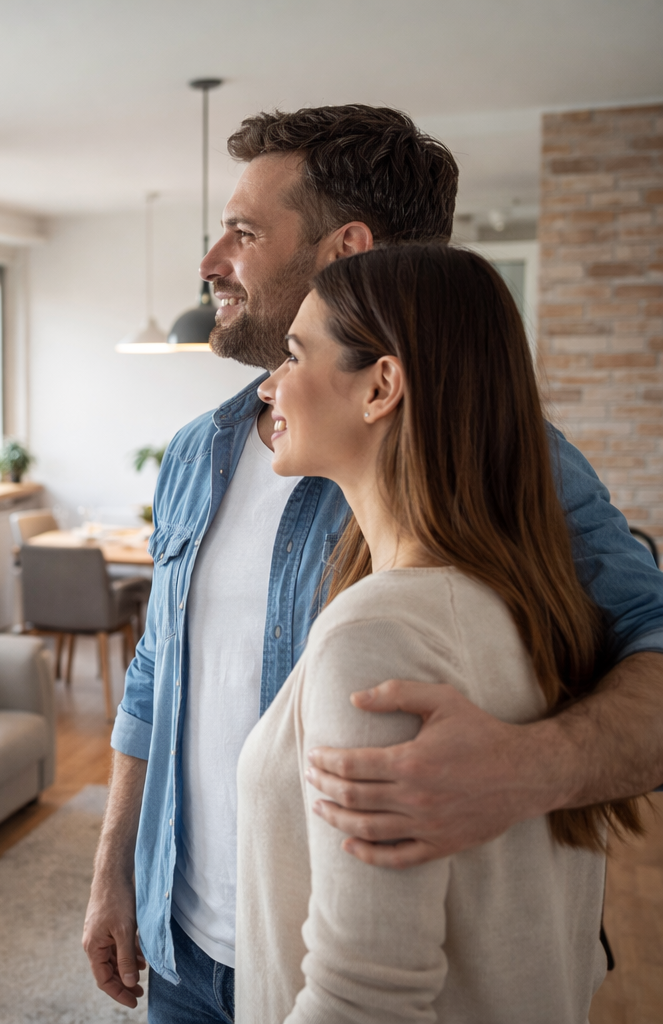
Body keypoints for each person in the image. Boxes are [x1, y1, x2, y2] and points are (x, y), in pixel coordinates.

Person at [82, 104, 663, 1021]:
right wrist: (117, 867)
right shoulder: (200, 450)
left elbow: (651, 643)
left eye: (242, 232)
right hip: (185, 947)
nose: (209, 265)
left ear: (344, 250)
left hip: (337, 959)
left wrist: (532, 767)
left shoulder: (504, 459)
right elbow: (158, 669)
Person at [238, 243, 640, 1021]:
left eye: (294, 354)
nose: (270, 383)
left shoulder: (377, 637)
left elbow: (365, 1001)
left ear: (381, 386)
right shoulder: (536, 604)